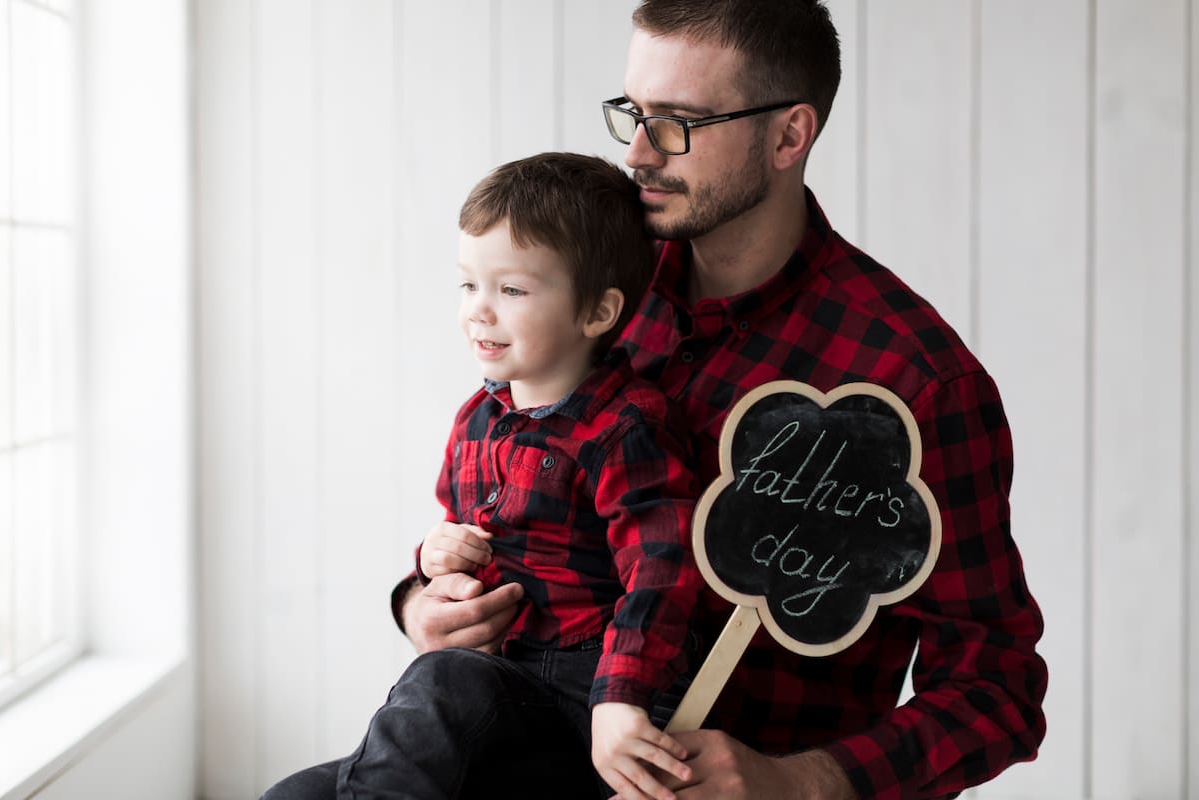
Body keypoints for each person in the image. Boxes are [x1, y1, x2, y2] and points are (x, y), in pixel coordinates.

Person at [398, 1, 1049, 798]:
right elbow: (507, 475)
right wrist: (425, 603)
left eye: (678, 122)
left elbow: (997, 689)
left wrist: (804, 781)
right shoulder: (593, 289)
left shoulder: (911, 379)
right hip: (518, 741)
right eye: (634, 113)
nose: (638, 152)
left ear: (789, 135)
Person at [263, 153, 706, 800]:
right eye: (468, 285)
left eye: (512, 290)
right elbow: (467, 535)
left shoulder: (624, 428)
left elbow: (664, 568)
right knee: (295, 794)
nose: (479, 310)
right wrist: (436, 557)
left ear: (597, 312)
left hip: (589, 694)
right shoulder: (478, 419)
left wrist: (622, 696)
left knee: (442, 682)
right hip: (504, 685)